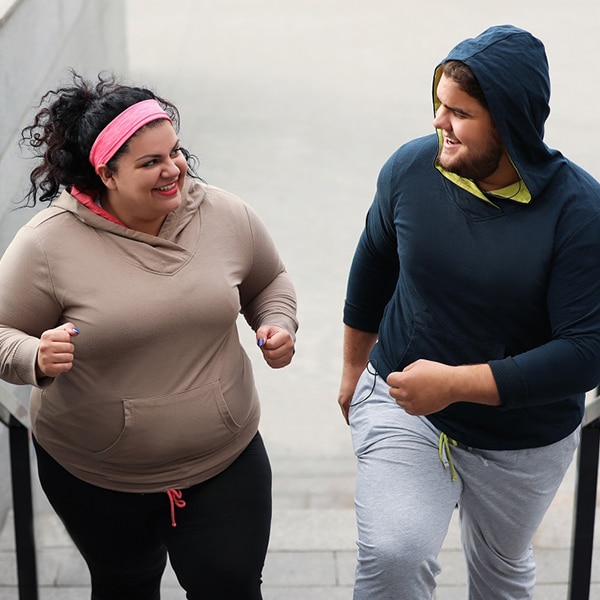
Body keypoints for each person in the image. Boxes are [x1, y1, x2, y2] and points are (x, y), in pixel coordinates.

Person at [0, 71, 298, 599]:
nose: (174, 170)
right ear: (106, 175)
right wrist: (35, 355)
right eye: (151, 162)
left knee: (231, 587)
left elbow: (268, 280)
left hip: (223, 460)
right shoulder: (46, 245)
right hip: (96, 476)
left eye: (175, 152)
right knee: (126, 586)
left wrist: (276, 323)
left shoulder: (223, 213)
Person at [338, 24, 600, 600]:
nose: (438, 123)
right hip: (406, 403)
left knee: (501, 570)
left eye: (459, 113)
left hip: (523, 437)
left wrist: (454, 384)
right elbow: (374, 261)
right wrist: (354, 370)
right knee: (393, 555)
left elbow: (586, 353)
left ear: (508, 121)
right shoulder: (411, 169)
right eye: (438, 104)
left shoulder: (579, 212)